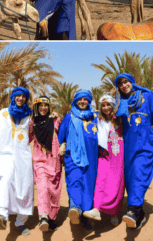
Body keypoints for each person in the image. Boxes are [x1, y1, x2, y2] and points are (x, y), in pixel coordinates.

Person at [114, 73, 153, 230]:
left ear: (132, 82)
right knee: (130, 180)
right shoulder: (120, 102)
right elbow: (109, 118)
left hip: (144, 146)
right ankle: (139, 213)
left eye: (126, 82)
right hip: (127, 148)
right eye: (120, 84)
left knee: (138, 173)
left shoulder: (147, 96)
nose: (124, 85)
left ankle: (132, 211)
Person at [0, 87, 33, 236]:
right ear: (13, 97)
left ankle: (21, 221)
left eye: (23, 96)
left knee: (25, 187)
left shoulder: (29, 116)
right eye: (18, 96)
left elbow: (37, 132)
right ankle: (2, 214)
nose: (20, 99)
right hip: (6, 155)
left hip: (24, 157)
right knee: (6, 180)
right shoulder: (2, 114)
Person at [58, 91, 99, 231]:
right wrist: (62, 144)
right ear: (75, 101)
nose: (82, 101)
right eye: (79, 99)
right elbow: (61, 135)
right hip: (72, 157)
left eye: (85, 99)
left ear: (89, 101)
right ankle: (75, 207)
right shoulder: (69, 117)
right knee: (75, 181)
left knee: (88, 186)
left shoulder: (95, 116)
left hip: (92, 158)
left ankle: (86, 215)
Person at [84, 95, 124, 225]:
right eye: (103, 105)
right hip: (103, 155)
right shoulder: (97, 119)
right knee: (100, 181)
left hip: (117, 156)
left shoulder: (120, 120)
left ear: (113, 106)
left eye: (108, 105)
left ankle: (114, 213)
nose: (106, 108)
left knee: (116, 185)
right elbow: (82, 113)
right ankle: (96, 209)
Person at [29, 96, 62, 232]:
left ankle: (51, 217)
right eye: (40, 105)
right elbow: (23, 138)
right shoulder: (32, 123)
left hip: (54, 162)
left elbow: (64, 134)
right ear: (36, 108)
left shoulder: (55, 120)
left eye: (46, 105)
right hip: (40, 161)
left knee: (54, 191)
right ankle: (43, 215)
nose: (43, 108)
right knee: (42, 187)